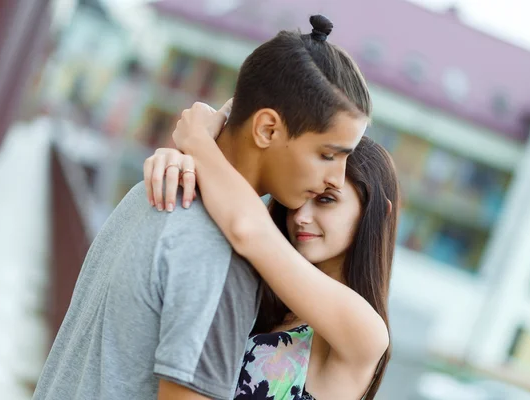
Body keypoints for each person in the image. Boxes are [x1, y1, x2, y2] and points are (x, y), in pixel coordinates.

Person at [33, 15, 372, 400]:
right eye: (328, 154)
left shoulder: (151, 190)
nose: (334, 176)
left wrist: (201, 136)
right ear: (268, 129)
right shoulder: (218, 254)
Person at [143, 104, 399, 399]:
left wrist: (198, 142)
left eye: (326, 200)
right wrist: (180, 164)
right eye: (301, 197)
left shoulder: (365, 331)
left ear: (377, 213)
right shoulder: (259, 292)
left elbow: (246, 228)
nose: (301, 216)